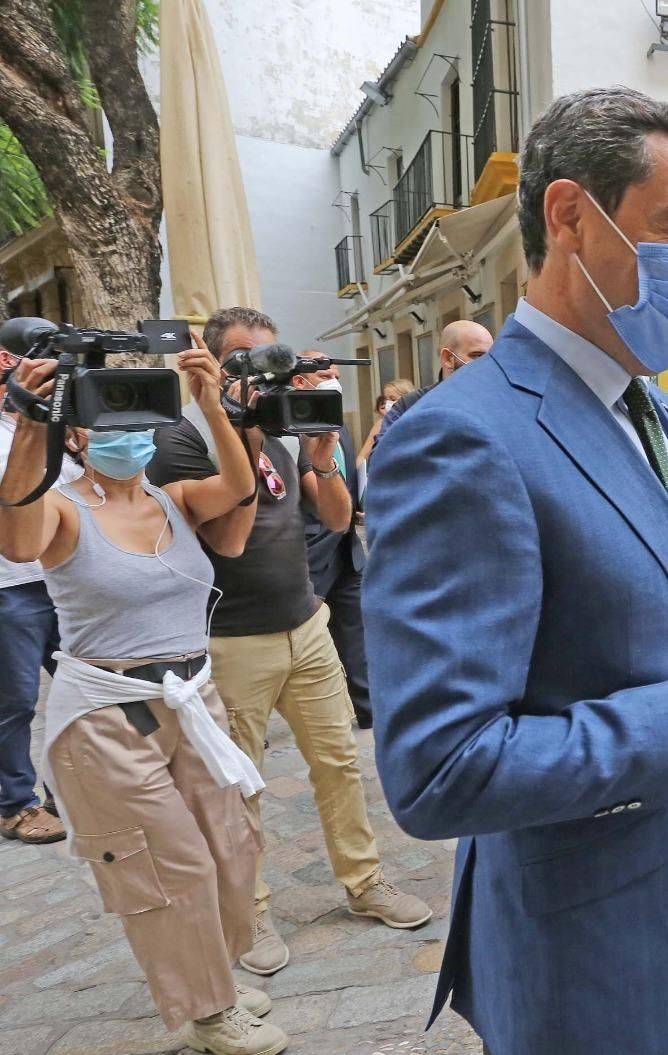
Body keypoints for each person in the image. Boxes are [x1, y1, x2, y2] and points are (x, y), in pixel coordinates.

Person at [361, 86, 668, 1055]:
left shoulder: (651, 406)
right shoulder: (461, 439)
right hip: (586, 963)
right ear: (569, 215)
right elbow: (441, 768)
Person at [0, 346, 289, 1055]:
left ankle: (213, 979)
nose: (126, 435)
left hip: (192, 700)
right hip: (108, 716)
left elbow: (238, 484)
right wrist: (31, 421)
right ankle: (210, 1013)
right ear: (77, 432)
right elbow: (16, 538)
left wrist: (213, 403)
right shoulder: (62, 507)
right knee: (170, 864)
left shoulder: (173, 498)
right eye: (107, 420)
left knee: (229, 845)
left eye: (136, 419)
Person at [147, 306, 431, 978]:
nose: (262, 374)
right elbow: (228, 539)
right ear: (216, 366)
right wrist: (238, 433)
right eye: (243, 360)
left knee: (339, 762)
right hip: (229, 641)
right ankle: (249, 910)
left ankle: (363, 880)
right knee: (237, 784)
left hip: (305, 624)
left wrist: (325, 463)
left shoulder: (281, 432)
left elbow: (335, 518)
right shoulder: (180, 441)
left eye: (270, 358)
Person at [0, 346, 78, 845]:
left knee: (78, 690)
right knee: (15, 702)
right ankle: (15, 805)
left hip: (61, 580)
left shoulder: (56, 430)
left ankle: (64, 789)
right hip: (10, 586)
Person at [290, 350, 371, 728]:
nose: (334, 382)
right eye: (325, 376)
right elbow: (307, 489)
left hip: (347, 551)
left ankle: (370, 710)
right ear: (299, 381)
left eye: (336, 375)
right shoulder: (289, 428)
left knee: (358, 636)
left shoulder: (341, 423)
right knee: (298, 641)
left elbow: (347, 480)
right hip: (309, 553)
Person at [370, 319, 494, 453]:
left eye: (490, 357)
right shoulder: (410, 406)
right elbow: (380, 456)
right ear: (448, 358)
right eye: (477, 356)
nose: (486, 364)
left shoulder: (498, 402)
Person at [356, 379, 415, 467]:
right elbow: (362, 456)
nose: (387, 403)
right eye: (386, 399)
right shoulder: (382, 423)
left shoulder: (418, 421)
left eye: (393, 399)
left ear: (407, 398)